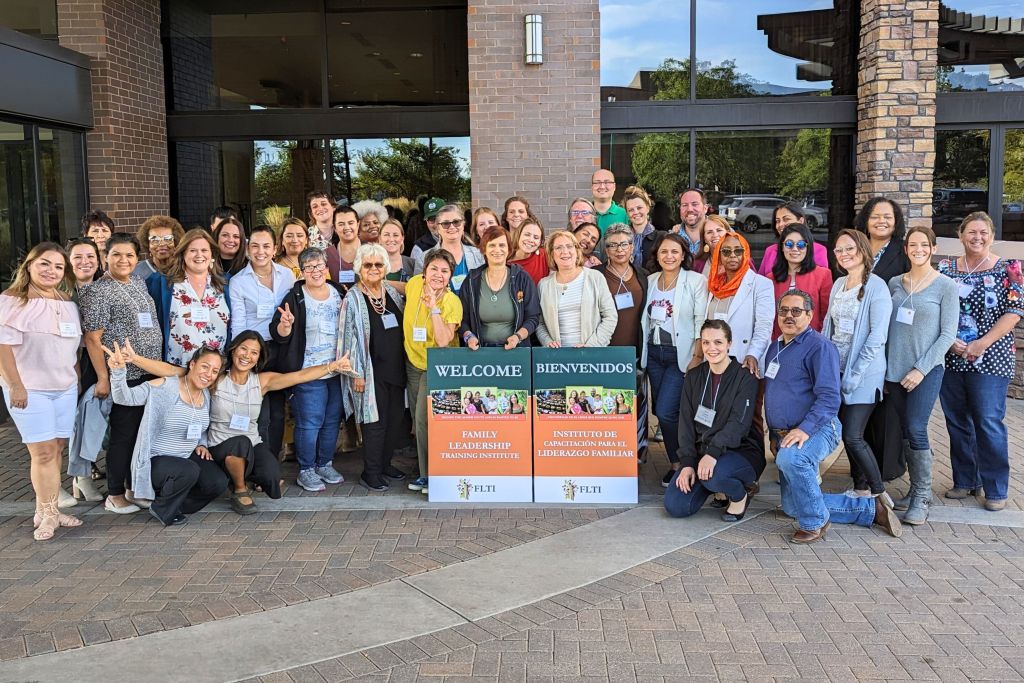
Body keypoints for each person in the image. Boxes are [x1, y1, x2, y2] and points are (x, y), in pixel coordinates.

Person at [117, 333, 351, 513]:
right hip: (219, 444)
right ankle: (239, 489)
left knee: (270, 476)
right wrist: (135, 359)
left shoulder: (262, 381)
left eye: (254, 352)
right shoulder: (215, 377)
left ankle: (241, 473)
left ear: (259, 358)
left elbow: (298, 376)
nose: (247, 355)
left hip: (250, 443)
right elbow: (172, 371)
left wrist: (331, 367)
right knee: (237, 445)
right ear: (234, 350)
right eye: (243, 349)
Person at [766, 290, 901, 543]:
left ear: (809, 314)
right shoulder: (775, 347)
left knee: (793, 460)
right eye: (783, 311)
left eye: (796, 311)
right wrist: (775, 433)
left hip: (818, 428)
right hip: (784, 434)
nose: (789, 316)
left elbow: (829, 398)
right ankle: (870, 509)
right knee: (793, 506)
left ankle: (815, 523)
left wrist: (803, 430)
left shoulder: (820, 347)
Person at [938, 212, 1024, 511]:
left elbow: (1015, 311)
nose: (977, 237)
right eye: (971, 232)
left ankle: (996, 488)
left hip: (991, 358)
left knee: (988, 421)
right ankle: (965, 480)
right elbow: (938, 309)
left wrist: (980, 343)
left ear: (992, 235)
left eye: (983, 232)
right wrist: (950, 342)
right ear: (961, 235)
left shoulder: (1008, 268)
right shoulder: (946, 268)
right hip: (952, 357)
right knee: (958, 422)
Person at [0, 243, 84, 540]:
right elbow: (4, 347)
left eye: (59, 267)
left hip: (64, 388)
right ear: (30, 265)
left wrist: (75, 379)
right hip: (31, 389)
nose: (51, 271)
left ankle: (47, 508)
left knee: (57, 447)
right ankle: (48, 514)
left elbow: (71, 348)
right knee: (43, 451)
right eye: (45, 264)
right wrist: (15, 385)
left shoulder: (66, 302)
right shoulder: (11, 300)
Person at [79, 233, 164, 513]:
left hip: (148, 371)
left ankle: (131, 487)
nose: (123, 260)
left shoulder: (138, 281)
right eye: (116, 255)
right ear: (106, 257)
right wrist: (103, 377)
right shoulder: (99, 291)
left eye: (129, 255)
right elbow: (93, 338)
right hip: (123, 374)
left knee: (140, 434)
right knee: (123, 435)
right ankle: (115, 495)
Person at [885, 226, 958, 525]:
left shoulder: (945, 286)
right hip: (894, 371)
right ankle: (914, 489)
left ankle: (923, 496)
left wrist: (920, 369)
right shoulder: (894, 283)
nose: (918, 249)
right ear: (906, 249)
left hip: (926, 370)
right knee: (904, 429)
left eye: (924, 245)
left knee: (916, 427)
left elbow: (947, 335)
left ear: (933, 248)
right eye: (912, 245)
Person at [106, 344, 224, 527]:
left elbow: (200, 426)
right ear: (192, 364)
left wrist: (201, 443)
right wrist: (118, 372)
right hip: (155, 461)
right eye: (205, 366)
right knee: (189, 470)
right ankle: (163, 508)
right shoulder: (166, 386)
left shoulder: (205, 394)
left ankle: (170, 503)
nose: (209, 374)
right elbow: (125, 398)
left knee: (217, 482)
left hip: (185, 458)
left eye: (215, 371)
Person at [664, 320, 764, 521]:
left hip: (740, 451)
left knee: (715, 475)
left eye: (718, 342)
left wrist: (713, 453)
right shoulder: (693, 376)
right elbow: (685, 424)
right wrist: (687, 463)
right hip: (704, 453)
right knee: (676, 506)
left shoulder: (745, 377)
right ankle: (716, 488)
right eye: (706, 342)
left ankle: (739, 495)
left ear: (729, 344)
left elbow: (739, 424)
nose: (712, 348)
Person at [270, 247, 348, 492]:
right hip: (308, 371)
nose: (315, 271)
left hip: (336, 369)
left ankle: (324, 463)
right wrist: (286, 326)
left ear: (327, 267)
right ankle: (306, 469)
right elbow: (279, 333)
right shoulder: (294, 296)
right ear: (302, 272)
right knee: (310, 421)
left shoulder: (337, 291)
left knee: (332, 420)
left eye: (320, 266)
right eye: (309, 267)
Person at [822, 229, 892, 501]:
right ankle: (860, 487)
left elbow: (877, 336)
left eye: (849, 248)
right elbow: (831, 327)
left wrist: (854, 373)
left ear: (863, 250)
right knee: (847, 434)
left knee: (852, 435)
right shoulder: (839, 284)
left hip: (864, 373)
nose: (844, 254)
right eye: (839, 250)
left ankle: (879, 493)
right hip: (836, 369)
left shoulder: (877, 286)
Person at [338, 244, 410, 491]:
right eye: (368, 264)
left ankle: (385, 464)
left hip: (396, 369)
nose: (373, 269)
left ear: (385, 268)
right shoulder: (353, 297)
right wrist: (355, 373)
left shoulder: (391, 291)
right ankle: (371, 472)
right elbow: (347, 338)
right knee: (374, 424)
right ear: (359, 267)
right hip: (370, 372)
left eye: (378, 264)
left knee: (394, 421)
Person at [640, 233, 708, 487]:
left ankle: (681, 465)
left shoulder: (695, 281)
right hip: (654, 354)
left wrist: (698, 355)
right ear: (656, 256)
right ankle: (681, 462)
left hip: (681, 355)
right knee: (663, 410)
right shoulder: (649, 281)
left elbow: (701, 320)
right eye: (664, 252)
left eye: (674, 252)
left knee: (668, 412)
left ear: (683, 255)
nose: (669, 256)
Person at [228, 224, 296, 456]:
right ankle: (257, 464)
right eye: (255, 246)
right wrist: (240, 356)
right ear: (247, 249)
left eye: (266, 246)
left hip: (283, 348)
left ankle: (272, 464)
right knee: (260, 412)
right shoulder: (238, 281)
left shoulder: (287, 275)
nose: (261, 251)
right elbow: (238, 323)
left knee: (278, 412)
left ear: (275, 248)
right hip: (255, 352)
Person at [404, 249, 463, 494]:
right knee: (417, 423)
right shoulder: (415, 284)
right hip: (413, 362)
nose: (438, 275)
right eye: (434, 269)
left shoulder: (451, 302)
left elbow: (442, 340)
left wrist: (434, 309)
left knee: (425, 420)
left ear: (450, 276)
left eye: (444, 271)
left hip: (437, 365)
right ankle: (427, 471)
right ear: (425, 271)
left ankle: (430, 476)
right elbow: (401, 287)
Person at [595, 223, 650, 461]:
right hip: (605, 354)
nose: (620, 250)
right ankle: (608, 455)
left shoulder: (644, 275)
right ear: (606, 250)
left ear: (632, 247)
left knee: (636, 406)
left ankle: (636, 455)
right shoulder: (595, 275)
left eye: (625, 244)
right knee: (607, 405)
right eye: (613, 245)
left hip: (635, 353)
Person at [146, 228, 231, 366]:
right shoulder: (162, 283)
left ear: (211, 254)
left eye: (204, 250)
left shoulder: (225, 283)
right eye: (192, 251)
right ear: (183, 253)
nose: (199, 255)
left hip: (214, 371)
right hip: (176, 368)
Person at [704, 231, 774, 378]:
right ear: (719, 256)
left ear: (746, 253)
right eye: (726, 251)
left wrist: (753, 354)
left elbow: (764, 326)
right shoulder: (713, 285)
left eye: (738, 250)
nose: (732, 255)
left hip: (744, 361)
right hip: (713, 360)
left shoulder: (761, 284)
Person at [459, 226, 540, 350]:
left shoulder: (521, 278)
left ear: (509, 249)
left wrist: (518, 337)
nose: (497, 250)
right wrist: (468, 336)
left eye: (502, 245)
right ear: (484, 249)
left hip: (515, 350)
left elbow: (533, 317)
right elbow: (462, 319)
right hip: (480, 351)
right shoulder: (472, 280)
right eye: (492, 245)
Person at [536, 230, 617, 349]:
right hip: (556, 357)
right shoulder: (544, 285)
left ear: (577, 250)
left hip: (591, 352)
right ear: (551, 253)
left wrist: (592, 345)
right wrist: (547, 342)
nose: (565, 251)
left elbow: (610, 316)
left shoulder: (595, 277)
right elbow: (539, 322)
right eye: (558, 247)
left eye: (569, 246)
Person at [770, 223, 832, 336]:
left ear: (808, 247)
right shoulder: (770, 278)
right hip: (778, 343)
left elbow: (826, 316)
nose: (795, 249)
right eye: (789, 244)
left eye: (801, 244)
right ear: (782, 248)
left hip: (811, 342)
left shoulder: (823, 275)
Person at [413, 204, 484, 292]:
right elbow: (419, 291)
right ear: (438, 228)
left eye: (456, 222)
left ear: (463, 224)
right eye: (445, 223)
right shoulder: (423, 258)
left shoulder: (478, 255)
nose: (452, 227)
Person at [757, 202, 829, 276]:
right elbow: (760, 281)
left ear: (801, 221)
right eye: (778, 221)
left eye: (786, 219)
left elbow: (822, 280)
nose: (781, 224)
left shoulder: (818, 250)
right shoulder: (770, 251)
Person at [855, 196, 910, 283]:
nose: (881, 221)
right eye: (875, 217)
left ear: (896, 222)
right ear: (866, 221)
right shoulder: (855, 248)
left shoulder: (906, 250)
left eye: (887, 217)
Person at [134, 215, 185, 279]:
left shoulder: (185, 268)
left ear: (176, 242)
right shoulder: (137, 272)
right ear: (148, 244)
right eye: (155, 240)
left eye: (167, 239)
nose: (162, 244)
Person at [623, 185, 659, 269]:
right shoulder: (623, 237)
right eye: (631, 210)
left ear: (647, 208)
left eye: (639, 208)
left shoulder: (660, 237)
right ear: (627, 213)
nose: (636, 212)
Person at [508, 218, 549, 284]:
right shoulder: (507, 262)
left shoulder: (544, 256)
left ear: (539, 242)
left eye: (536, 237)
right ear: (519, 235)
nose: (531, 240)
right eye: (527, 235)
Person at [380, 218, 415, 294]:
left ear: (402, 238)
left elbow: (417, 291)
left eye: (395, 235)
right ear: (379, 239)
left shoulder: (413, 264)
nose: (391, 239)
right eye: (386, 235)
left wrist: (382, 283)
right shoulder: (371, 265)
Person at [672, 188, 709, 256]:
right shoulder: (671, 238)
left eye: (695, 204)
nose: (689, 209)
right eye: (685, 205)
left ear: (705, 208)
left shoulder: (721, 233)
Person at [329, 205, 360, 284]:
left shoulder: (372, 251)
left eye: (350, 223)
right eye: (341, 224)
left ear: (358, 224)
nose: (347, 227)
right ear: (335, 228)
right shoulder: (326, 255)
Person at [591, 169, 628, 233]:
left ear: (614, 186)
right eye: (597, 182)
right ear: (592, 186)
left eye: (607, 182)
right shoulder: (584, 214)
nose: (602, 187)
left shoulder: (624, 214)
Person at [410, 197, 445, 263]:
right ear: (426, 222)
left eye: (439, 218)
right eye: (431, 220)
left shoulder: (459, 242)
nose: (436, 224)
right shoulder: (419, 249)